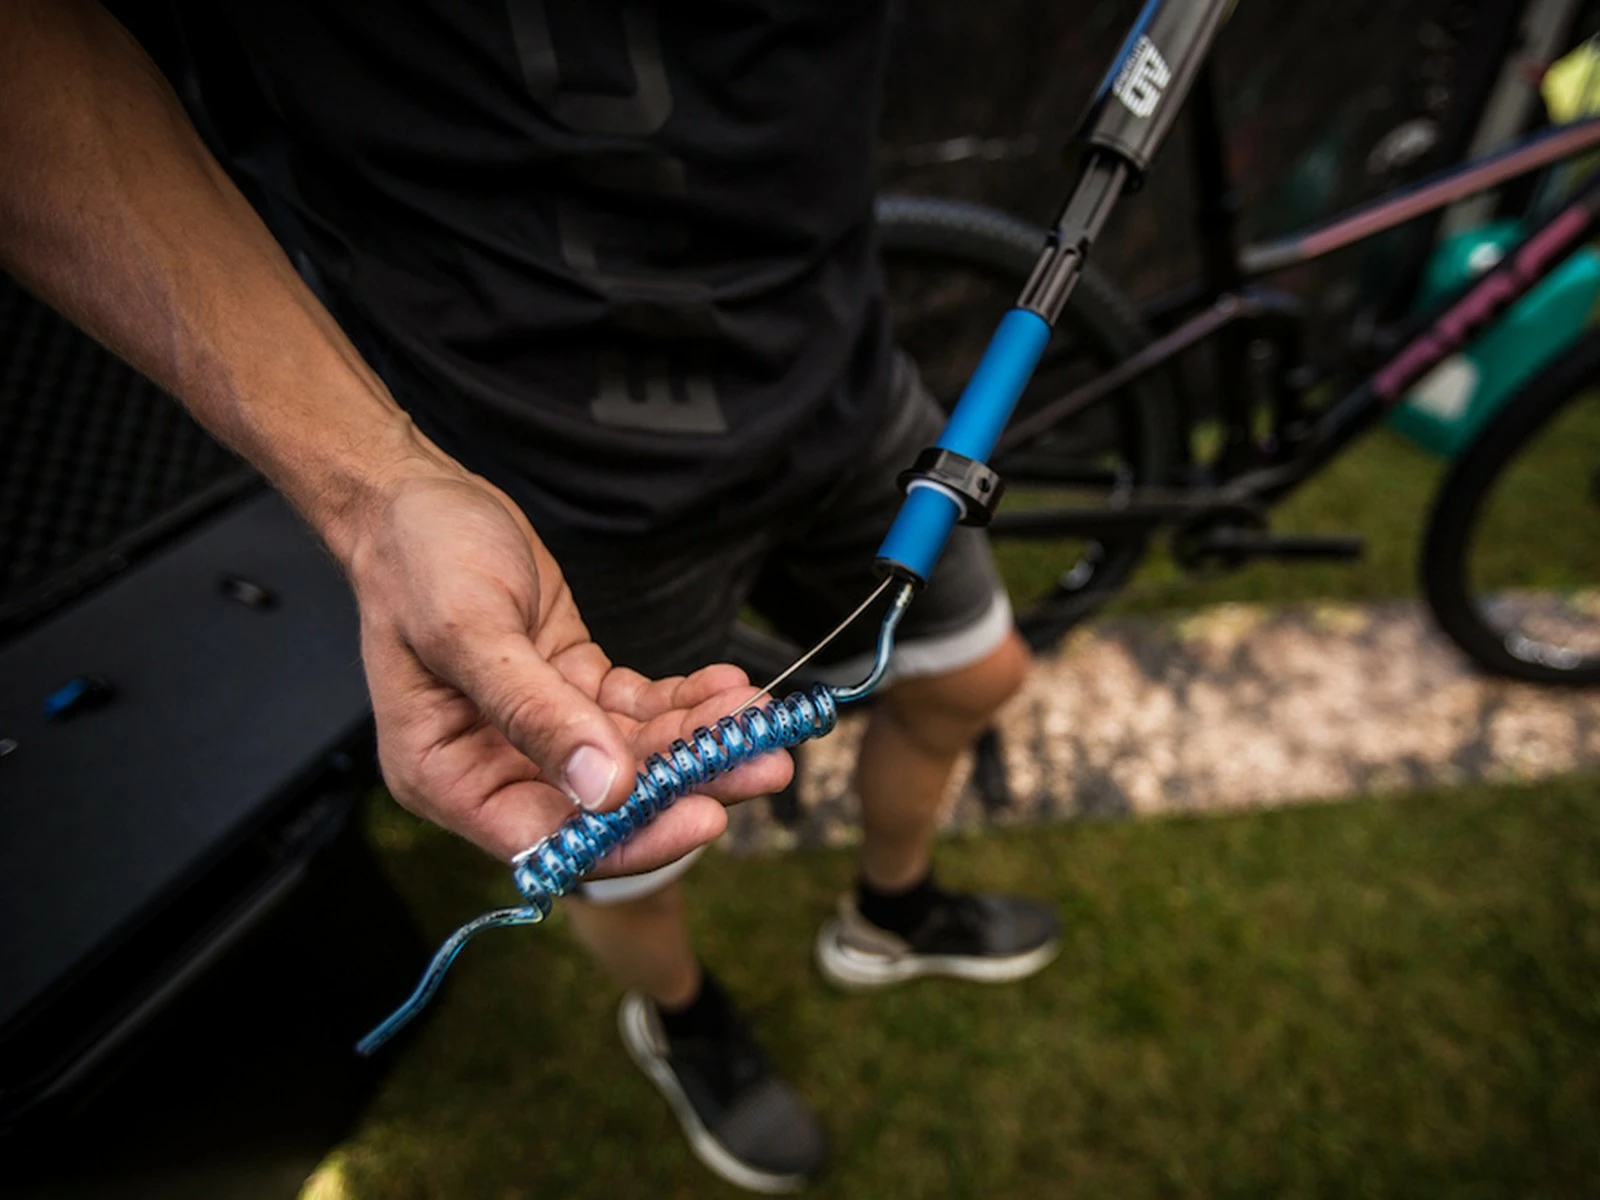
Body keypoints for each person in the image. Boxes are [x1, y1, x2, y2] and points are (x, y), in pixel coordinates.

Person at [0, 1, 1059, 1190]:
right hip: (560, 505)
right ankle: (681, 1017)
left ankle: (888, 915)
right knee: (622, 848)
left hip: (847, 403)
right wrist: (374, 489)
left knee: (973, 677)